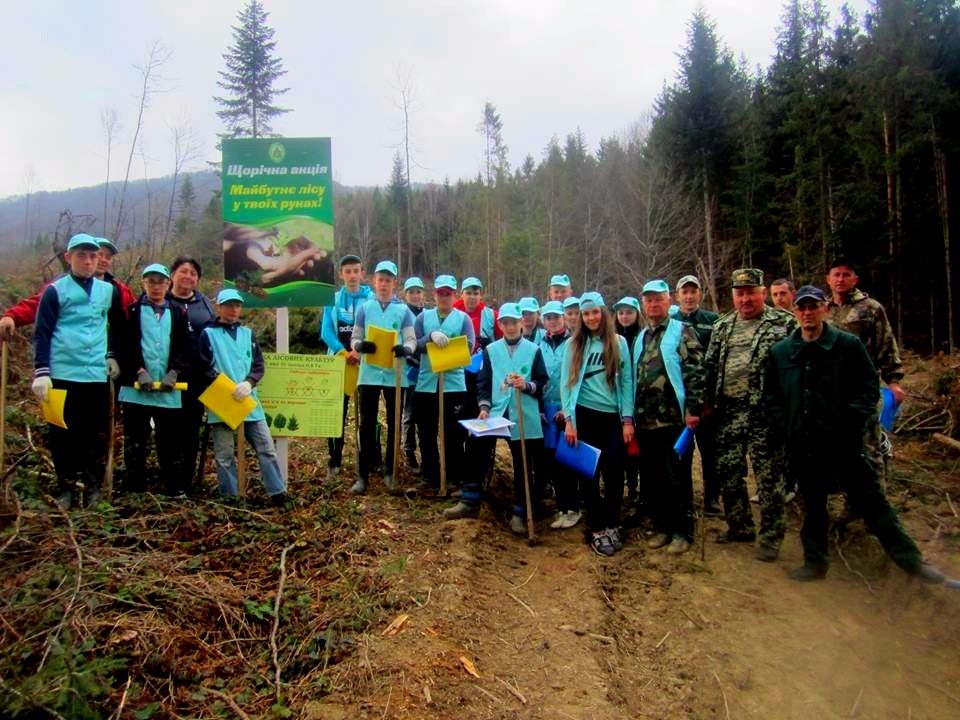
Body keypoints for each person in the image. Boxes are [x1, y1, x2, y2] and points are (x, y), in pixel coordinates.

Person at [765, 285, 943, 583]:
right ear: (795, 312)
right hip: (804, 445)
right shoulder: (781, 352)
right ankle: (815, 563)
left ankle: (911, 562)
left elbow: (867, 388)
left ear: (824, 308)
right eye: (802, 308)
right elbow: (771, 396)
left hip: (844, 444)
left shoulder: (847, 346)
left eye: (813, 307)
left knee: (873, 502)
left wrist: (850, 424)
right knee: (814, 507)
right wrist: (784, 427)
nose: (808, 313)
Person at [703, 268, 794, 561]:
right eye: (740, 294)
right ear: (733, 295)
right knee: (729, 473)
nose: (745, 299)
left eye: (750, 293)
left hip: (765, 413)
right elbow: (711, 366)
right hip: (728, 410)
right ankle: (739, 525)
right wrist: (705, 403)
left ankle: (770, 537)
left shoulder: (783, 324)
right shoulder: (723, 326)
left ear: (762, 293)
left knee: (768, 477)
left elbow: (796, 367)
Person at [31, 234, 125, 509]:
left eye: (93, 256)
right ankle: (67, 487)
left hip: (95, 374)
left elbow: (118, 325)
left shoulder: (108, 291)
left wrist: (112, 355)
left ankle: (93, 486)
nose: (88, 261)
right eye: (82, 255)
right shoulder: (55, 291)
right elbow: (42, 332)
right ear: (69, 257)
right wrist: (41, 371)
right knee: (62, 433)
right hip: (62, 372)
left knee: (94, 433)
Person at [443, 302, 548, 534]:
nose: (510, 327)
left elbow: (542, 382)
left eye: (514, 322)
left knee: (522, 462)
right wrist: (484, 406)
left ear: (522, 323)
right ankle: (470, 500)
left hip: (524, 414)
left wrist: (527, 385)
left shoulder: (534, 350)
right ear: (500, 325)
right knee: (475, 444)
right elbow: (484, 383)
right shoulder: (491, 350)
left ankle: (521, 512)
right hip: (496, 412)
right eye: (506, 323)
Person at [631, 281, 704, 555]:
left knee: (678, 477)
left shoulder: (682, 331)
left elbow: (695, 371)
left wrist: (693, 409)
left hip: (674, 420)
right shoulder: (642, 336)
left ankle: (681, 531)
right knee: (654, 477)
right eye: (648, 300)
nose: (653, 305)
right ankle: (662, 527)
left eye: (658, 300)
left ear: (668, 300)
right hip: (646, 421)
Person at [560, 292, 634, 556]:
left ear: (603, 313)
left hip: (611, 418)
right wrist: (570, 421)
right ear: (581, 317)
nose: (591, 318)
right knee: (588, 474)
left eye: (595, 312)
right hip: (584, 416)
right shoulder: (574, 345)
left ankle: (613, 521)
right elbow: (566, 385)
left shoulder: (618, 343)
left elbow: (627, 383)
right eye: (586, 313)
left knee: (614, 472)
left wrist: (627, 419)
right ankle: (597, 527)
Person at [197, 289, 288, 505]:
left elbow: (258, 365)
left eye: (237, 305)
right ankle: (230, 498)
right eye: (229, 305)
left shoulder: (248, 334)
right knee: (225, 455)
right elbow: (203, 367)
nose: (234, 309)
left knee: (266, 448)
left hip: (250, 401)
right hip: (223, 401)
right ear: (219, 307)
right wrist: (225, 387)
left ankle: (277, 492)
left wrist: (249, 382)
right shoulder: (208, 334)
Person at [826, 257, 903, 490]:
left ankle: (875, 504)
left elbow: (886, 345)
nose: (840, 279)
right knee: (840, 447)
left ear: (855, 279)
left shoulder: (871, 308)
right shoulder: (822, 308)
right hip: (830, 390)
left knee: (869, 446)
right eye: (836, 275)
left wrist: (894, 381)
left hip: (861, 389)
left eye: (845, 275)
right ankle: (851, 499)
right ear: (828, 279)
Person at [118, 264, 193, 495]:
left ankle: (172, 488)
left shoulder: (179, 313)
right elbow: (123, 346)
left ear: (168, 284)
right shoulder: (131, 312)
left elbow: (186, 347)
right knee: (135, 441)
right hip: (136, 390)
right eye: (151, 282)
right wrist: (138, 371)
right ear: (144, 284)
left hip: (168, 390)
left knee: (170, 441)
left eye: (161, 282)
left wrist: (174, 371)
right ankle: (134, 487)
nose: (156, 286)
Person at [350, 260, 417, 495]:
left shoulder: (403, 311)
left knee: (394, 423)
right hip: (368, 373)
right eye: (381, 279)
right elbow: (355, 338)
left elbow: (411, 339)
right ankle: (362, 474)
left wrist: (406, 350)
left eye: (389, 280)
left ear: (394, 283)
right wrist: (360, 345)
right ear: (374, 281)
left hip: (395, 375)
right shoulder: (364, 309)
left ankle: (391, 471)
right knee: (366, 423)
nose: (384, 284)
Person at [0, 236, 134, 340]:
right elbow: (37, 305)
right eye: (99, 255)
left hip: (106, 358)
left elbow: (134, 316)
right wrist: (12, 316)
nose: (103, 260)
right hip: (67, 358)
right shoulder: (61, 285)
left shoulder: (118, 289)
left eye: (108, 257)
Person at [412, 275, 474, 492]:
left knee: (452, 433)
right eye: (441, 293)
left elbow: (469, 347)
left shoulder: (463, 319)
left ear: (454, 295)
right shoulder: (422, 318)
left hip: (453, 385)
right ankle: (430, 473)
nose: (444, 297)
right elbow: (414, 344)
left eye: (448, 293)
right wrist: (430, 336)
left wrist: (449, 352)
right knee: (426, 431)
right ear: (434, 294)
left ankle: (453, 476)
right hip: (426, 383)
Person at [165, 256, 217, 486]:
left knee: (191, 428)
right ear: (173, 274)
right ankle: (168, 477)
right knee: (167, 428)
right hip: (167, 376)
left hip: (197, 376)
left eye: (193, 273)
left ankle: (187, 479)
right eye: (183, 271)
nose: (188, 276)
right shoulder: (159, 300)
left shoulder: (204, 303)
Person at [320, 255, 374, 475]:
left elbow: (375, 328)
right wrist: (344, 353)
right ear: (341, 274)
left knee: (368, 415)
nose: (352, 275)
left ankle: (370, 459)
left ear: (362, 273)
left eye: (356, 271)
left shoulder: (372, 300)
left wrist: (358, 352)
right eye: (348, 271)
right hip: (339, 363)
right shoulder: (332, 300)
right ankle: (335, 459)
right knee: (336, 413)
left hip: (365, 364)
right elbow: (326, 331)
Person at [673, 274, 722, 516]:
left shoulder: (714, 321)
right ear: (677, 296)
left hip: (706, 399)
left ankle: (712, 497)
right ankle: (684, 499)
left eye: (693, 291)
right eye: (685, 291)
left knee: (710, 451)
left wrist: (710, 398)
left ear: (700, 294)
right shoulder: (671, 322)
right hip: (678, 400)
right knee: (681, 453)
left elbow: (718, 363)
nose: (689, 296)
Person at [538, 300, 580, 529]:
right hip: (546, 410)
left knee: (568, 460)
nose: (552, 321)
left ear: (563, 318)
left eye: (556, 317)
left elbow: (577, 377)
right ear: (543, 320)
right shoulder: (539, 344)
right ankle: (561, 507)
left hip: (567, 409)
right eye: (548, 318)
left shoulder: (574, 342)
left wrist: (569, 409)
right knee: (551, 460)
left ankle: (573, 507)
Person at [613, 296, 642, 513]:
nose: (624, 316)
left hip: (638, 400)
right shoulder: (611, 338)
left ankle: (634, 488)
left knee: (634, 448)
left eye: (629, 312)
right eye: (621, 313)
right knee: (619, 449)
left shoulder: (642, 336)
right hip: (617, 400)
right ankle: (618, 488)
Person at [401, 276, 426, 470]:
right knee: (409, 413)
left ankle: (426, 452)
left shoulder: (427, 315)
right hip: (409, 370)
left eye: (418, 291)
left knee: (424, 415)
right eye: (411, 292)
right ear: (405, 294)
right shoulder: (403, 314)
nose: (415, 295)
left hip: (426, 373)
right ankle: (409, 451)